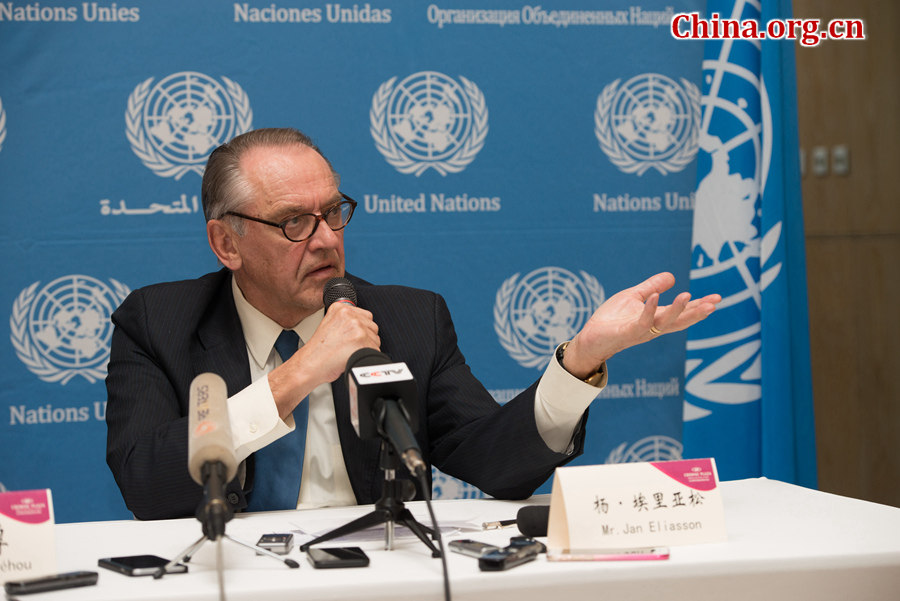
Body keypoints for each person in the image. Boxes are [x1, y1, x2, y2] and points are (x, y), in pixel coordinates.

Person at [105, 128, 720, 521]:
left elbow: (495, 464)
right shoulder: (158, 323)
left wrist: (580, 358)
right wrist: (294, 377)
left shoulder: (408, 317)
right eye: (295, 221)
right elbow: (148, 485)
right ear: (226, 243)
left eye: (333, 213)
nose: (325, 240)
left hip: (381, 576)